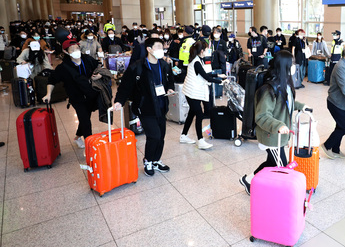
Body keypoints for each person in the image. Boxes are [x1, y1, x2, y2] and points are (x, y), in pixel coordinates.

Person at [238, 51, 308, 195]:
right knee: (282, 166)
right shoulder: (268, 89)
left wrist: (301, 106)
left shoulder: (284, 84)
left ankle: (249, 180)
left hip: (279, 135)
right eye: (292, 64)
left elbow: (286, 103)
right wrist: (278, 125)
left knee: (271, 162)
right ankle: (281, 196)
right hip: (271, 136)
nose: (294, 66)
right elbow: (262, 116)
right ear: (285, 66)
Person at [113, 38, 175, 177]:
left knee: (161, 136)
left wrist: (170, 89)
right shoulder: (137, 67)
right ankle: (148, 160)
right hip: (145, 107)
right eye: (158, 47)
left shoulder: (164, 65)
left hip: (161, 105)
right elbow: (125, 86)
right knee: (154, 136)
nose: (162, 50)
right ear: (149, 49)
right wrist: (119, 101)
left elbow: (170, 80)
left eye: (162, 47)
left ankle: (156, 160)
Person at [42, 39, 101, 149]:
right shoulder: (63, 68)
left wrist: (99, 75)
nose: (76, 51)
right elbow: (52, 80)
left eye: (77, 48)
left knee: (85, 117)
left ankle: (78, 136)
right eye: (72, 49)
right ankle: (91, 149)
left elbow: (99, 67)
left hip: (90, 95)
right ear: (66, 52)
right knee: (86, 121)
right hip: (77, 98)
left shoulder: (87, 60)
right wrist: (48, 94)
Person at [180, 41, 227, 149]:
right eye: (206, 49)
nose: (207, 51)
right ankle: (200, 140)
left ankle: (183, 135)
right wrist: (220, 82)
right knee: (199, 114)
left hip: (191, 91)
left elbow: (204, 74)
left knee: (192, 113)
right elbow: (207, 78)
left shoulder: (197, 60)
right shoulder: (196, 62)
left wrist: (218, 74)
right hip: (192, 92)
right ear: (202, 51)